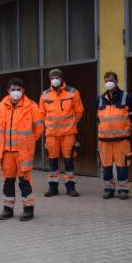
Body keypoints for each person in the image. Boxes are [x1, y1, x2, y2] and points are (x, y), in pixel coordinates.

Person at [0, 78, 44, 221]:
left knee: (24, 181)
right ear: (8, 91)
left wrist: (28, 142)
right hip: (6, 152)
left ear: (23, 90)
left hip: (23, 152)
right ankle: (7, 209)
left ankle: (28, 209)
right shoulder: (1, 106)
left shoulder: (32, 106)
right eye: (13, 89)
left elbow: (39, 128)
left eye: (18, 89)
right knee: (8, 182)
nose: (16, 92)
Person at [40, 68, 84, 197]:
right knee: (52, 161)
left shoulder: (73, 92)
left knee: (69, 160)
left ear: (61, 78)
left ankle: (71, 188)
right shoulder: (44, 95)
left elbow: (79, 111)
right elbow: (41, 114)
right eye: (52, 78)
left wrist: (72, 124)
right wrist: (49, 126)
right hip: (51, 135)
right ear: (49, 80)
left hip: (68, 134)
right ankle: (53, 188)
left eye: (57, 77)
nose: (55, 80)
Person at [97, 71, 132, 199]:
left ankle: (123, 190)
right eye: (106, 81)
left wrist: (127, 128)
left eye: (111, 80)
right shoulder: (100, 98)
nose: (109, 83)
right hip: (104, 140)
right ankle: (108, 189)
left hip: (122, 140)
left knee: (122, 166)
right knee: (106, 166)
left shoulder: (126, 97)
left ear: (117, 81)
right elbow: (98, 118)